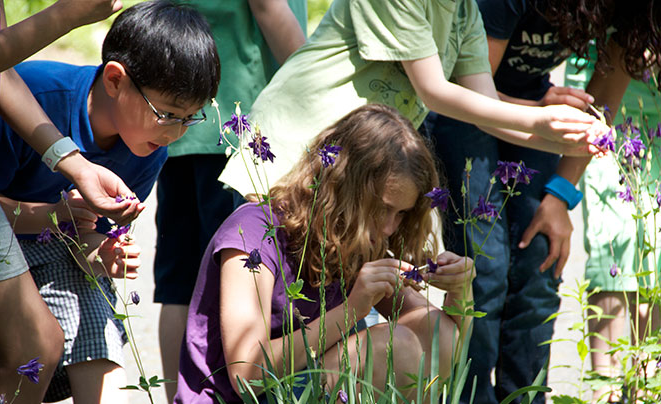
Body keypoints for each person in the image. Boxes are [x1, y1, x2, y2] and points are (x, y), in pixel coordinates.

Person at [0, 1, 220, 402]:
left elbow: (85, 242)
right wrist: (51, 218)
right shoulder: (37, 98)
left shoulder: (148, 147)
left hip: (51, 265)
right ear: (116, 80)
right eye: (168, 113)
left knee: (91, 297)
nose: (177, 133)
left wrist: (101, 255)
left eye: (191, 118)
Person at [423, 1, 661, 403]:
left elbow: (602, 102)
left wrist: (560, 196)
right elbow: (466, 88)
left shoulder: (634, 10)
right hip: (465, 111)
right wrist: (537, 112)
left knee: (540, 263)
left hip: (535, 109)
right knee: (486, 271)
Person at [175, 104, 475, 403]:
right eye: (382, 208)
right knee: (393, 346)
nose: (388, 228)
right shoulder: (252, 232)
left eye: (401, 214)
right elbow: (246, 375)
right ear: (341, 186)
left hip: (304, 388)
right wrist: (352, 309)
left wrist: (461, 291)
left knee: (434, 335)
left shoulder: (356, 239)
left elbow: (444, 348)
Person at [216, 0, 611, 199]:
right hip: (290, 148)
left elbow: (487, 109)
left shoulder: (464, 12)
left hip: (352, 162)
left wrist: (564, 140)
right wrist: (539, 121)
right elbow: (433, 90)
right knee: (273, 314)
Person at [152, 1, 306, 401]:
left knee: (178, 281)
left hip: (176, 123)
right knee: (238, 277)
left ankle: (178, 397)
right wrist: (310, 87)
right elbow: (268, 7)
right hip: (238, 130)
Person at [566, 53, 661, 403]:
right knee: (614, 238)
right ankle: (602, 385)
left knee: (656, 245)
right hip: (607, 92)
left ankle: (646, 384)